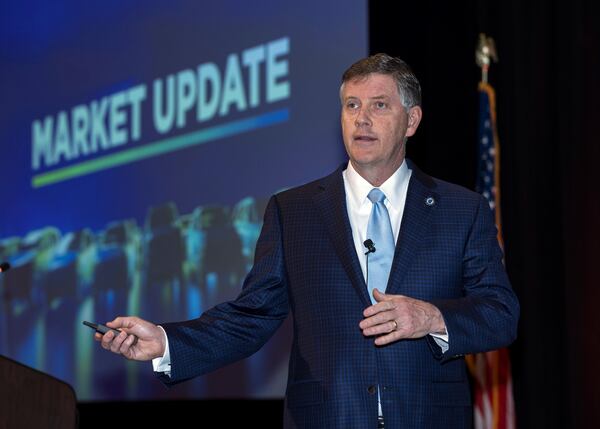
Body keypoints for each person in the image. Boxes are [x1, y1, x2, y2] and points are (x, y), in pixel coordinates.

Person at [97, 53, 519, 428]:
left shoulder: (461, 210)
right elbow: (251, 316)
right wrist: (167, 342)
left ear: (412, 120)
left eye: (379, 105)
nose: (362, 119)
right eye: (351, 105)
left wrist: (430, 319)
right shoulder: (293, 211)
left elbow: (500, 314)